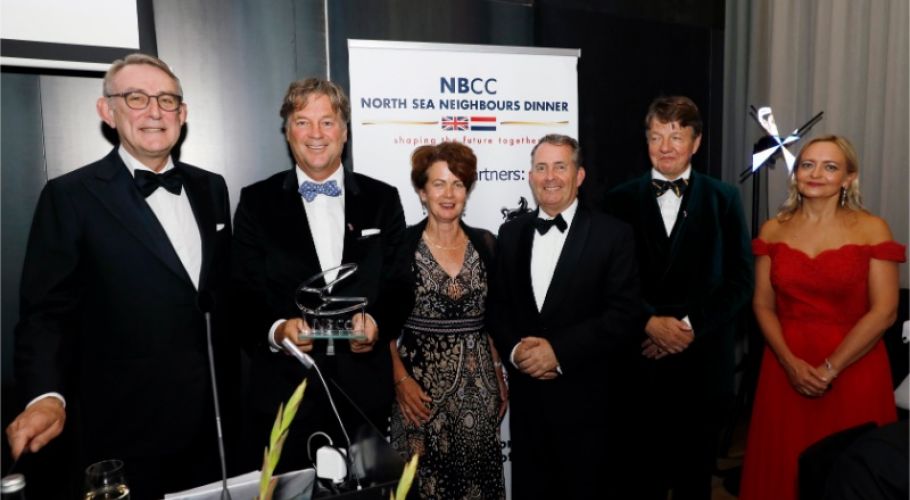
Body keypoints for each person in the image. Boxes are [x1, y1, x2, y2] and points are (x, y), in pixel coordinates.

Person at [4, 53, 235, 499]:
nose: (154, 111)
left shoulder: (212, 186)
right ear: (107, 111)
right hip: (126, 429)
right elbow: (46, 313)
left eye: (166, 100)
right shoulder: (70, 196)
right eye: (136, 98)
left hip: (214, 422)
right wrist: (45, 395)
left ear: (183, 113)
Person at [231, 78, 405, 473]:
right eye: (302, 122)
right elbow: (241, 293)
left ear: (344, 131)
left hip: (365, 397)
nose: (315, 134)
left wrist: (377, 323)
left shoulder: (383, 199)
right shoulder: (256, 202)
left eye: (327, 122)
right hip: (285, 396)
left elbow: (399, 285)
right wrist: (277, 330)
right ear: (287, 131)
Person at [604, 95, 753, 500]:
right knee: (639, 481)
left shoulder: (724, 198)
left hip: (701, 364)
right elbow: (608, 280)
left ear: (696, 141)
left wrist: (687, 328)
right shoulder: (617, 200)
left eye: (676, 136)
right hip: (639, 362)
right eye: (656, 137)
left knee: (695, 481)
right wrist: (648, 322)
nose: (665, 147)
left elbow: (741, 281)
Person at [739, 135, 904, 500]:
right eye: (807, 165)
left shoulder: (872, 229)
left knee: (850, 474)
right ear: (795, 173)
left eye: (830, 167)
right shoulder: (773, 229)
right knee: (782, 468)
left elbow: (885, 311)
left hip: (854, 365)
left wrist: (831, 368)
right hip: (785, 367)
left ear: (848, 178)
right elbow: (762, 305)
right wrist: (789, 362)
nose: (816, 174)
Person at [489, 134, 641, 499]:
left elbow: (624, 315)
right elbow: (497, 307)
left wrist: (558, 352)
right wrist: (515, 353)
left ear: (580, 175)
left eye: (560, 166)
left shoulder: (613, 235)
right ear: (530, 176)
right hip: (528, 406)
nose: (550, 177)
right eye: (541, 167)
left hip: (588, 406)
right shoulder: (510, 233)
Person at [384, 142, 507, 499]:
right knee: (421, 488)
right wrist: (399, 380)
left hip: (478, 394)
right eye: (438, 184)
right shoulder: (401, 246)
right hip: (418, 394)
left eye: (458, 184)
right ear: (422, 192)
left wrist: (498, 373)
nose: (449, 194)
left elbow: (493, 318)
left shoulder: (486, 243)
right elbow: (382, 320)